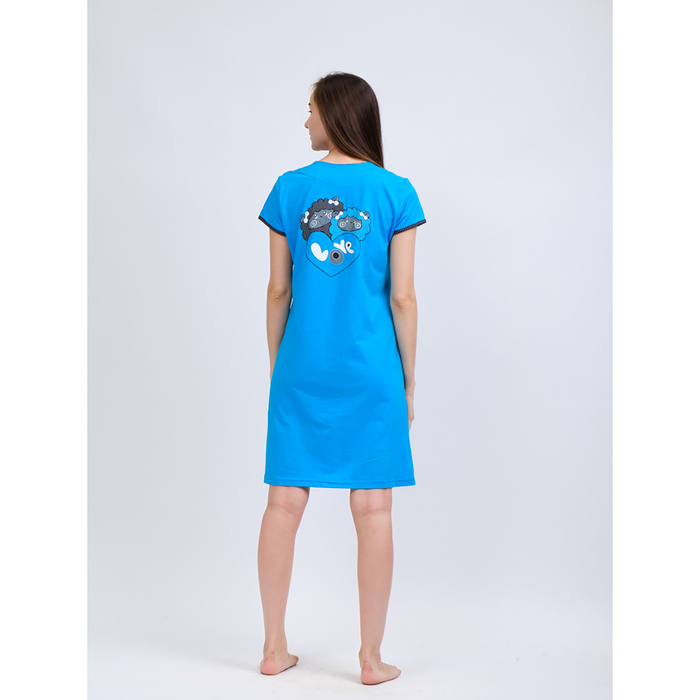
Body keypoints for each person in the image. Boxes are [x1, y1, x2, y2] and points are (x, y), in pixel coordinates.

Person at [256, 71, 426, 686]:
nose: (305, 121)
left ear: (333, 114)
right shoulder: (396, 192)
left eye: (310, 109)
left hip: (301, 368)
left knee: (283, 502)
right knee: (374, 510)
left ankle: (273, 647)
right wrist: (408, 380)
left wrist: (278, 366)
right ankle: (371, 659)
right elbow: (402, 298)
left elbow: (278, 291)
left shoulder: (288, 188)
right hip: (371, 371)